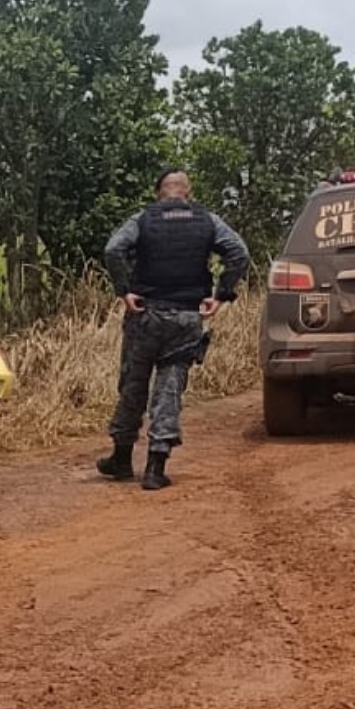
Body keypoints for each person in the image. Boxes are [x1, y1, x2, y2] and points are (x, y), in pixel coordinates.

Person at [98, 169, 250, 491]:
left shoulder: (142, 219)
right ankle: (156, 466)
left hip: (145, 315)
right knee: (169, 388)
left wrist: (124, 290)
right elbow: (239, 253)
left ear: (158, 193)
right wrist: (221, 295)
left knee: (133, 385)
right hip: (186, 318)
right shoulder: (207, 220)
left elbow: (113, 249)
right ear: (188, 193)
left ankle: (122, 458)